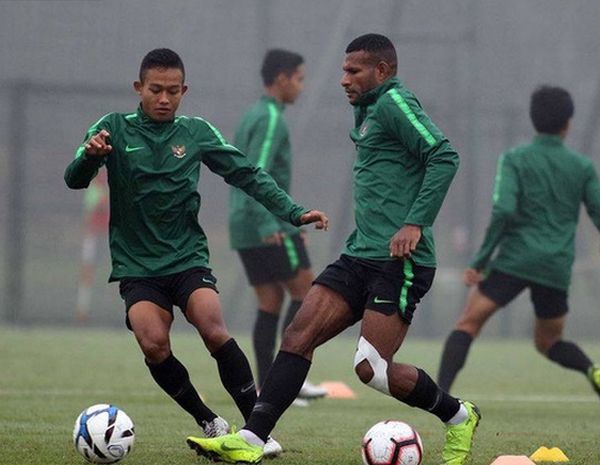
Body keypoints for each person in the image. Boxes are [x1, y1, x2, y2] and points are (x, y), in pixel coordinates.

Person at [187, 33, 481, 465]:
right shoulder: (366, 111)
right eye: (343, 70)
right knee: (299, 333)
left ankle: (458, 416)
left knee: (372, 370)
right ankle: (251, 440)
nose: (342, 79)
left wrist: (414, 222)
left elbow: (444, 155)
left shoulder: (395, 103)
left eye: (353, 71)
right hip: (360, 254)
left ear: (381, 71)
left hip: (401, 261)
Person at [64, 48, 328, 457]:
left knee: (213, 326)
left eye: (173, 91)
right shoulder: (112, 128)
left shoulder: (196, 132)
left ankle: (256, 431)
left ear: (184, 90)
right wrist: (89, 156)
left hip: (187, 258)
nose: (164, 98)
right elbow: (74, 179)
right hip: (137, 266)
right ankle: (208, 419)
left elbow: (248, 174)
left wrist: (293, 212)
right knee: (153, 344)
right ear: (139, 88)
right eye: (155, 90)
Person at [436, 85, 600, 414]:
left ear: (533, 121)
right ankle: (593, 370)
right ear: (568, 122)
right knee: (549, 342)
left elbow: (504, 211)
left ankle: (439, 397)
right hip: (555, 266)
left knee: (467, 324)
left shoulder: (515, 159)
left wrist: (480, 260)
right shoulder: (581, 166)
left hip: (514, 260)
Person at [229, 49, 326, 402]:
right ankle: (289, 379)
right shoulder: (270, 118)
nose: (302, 86)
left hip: (243, 225)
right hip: (266, 224)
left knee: (270, 301)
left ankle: (268, 385)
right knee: (308, 292)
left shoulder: (253, 114)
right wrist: (268, 220)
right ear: (282, 78)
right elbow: (258, 171)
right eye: (300, 79)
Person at [75, 169, 109, 322]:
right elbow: (91, 209)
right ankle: (83, 310)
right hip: (94, 233)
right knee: (87, 270)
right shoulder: (94, 183)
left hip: (113, 233)